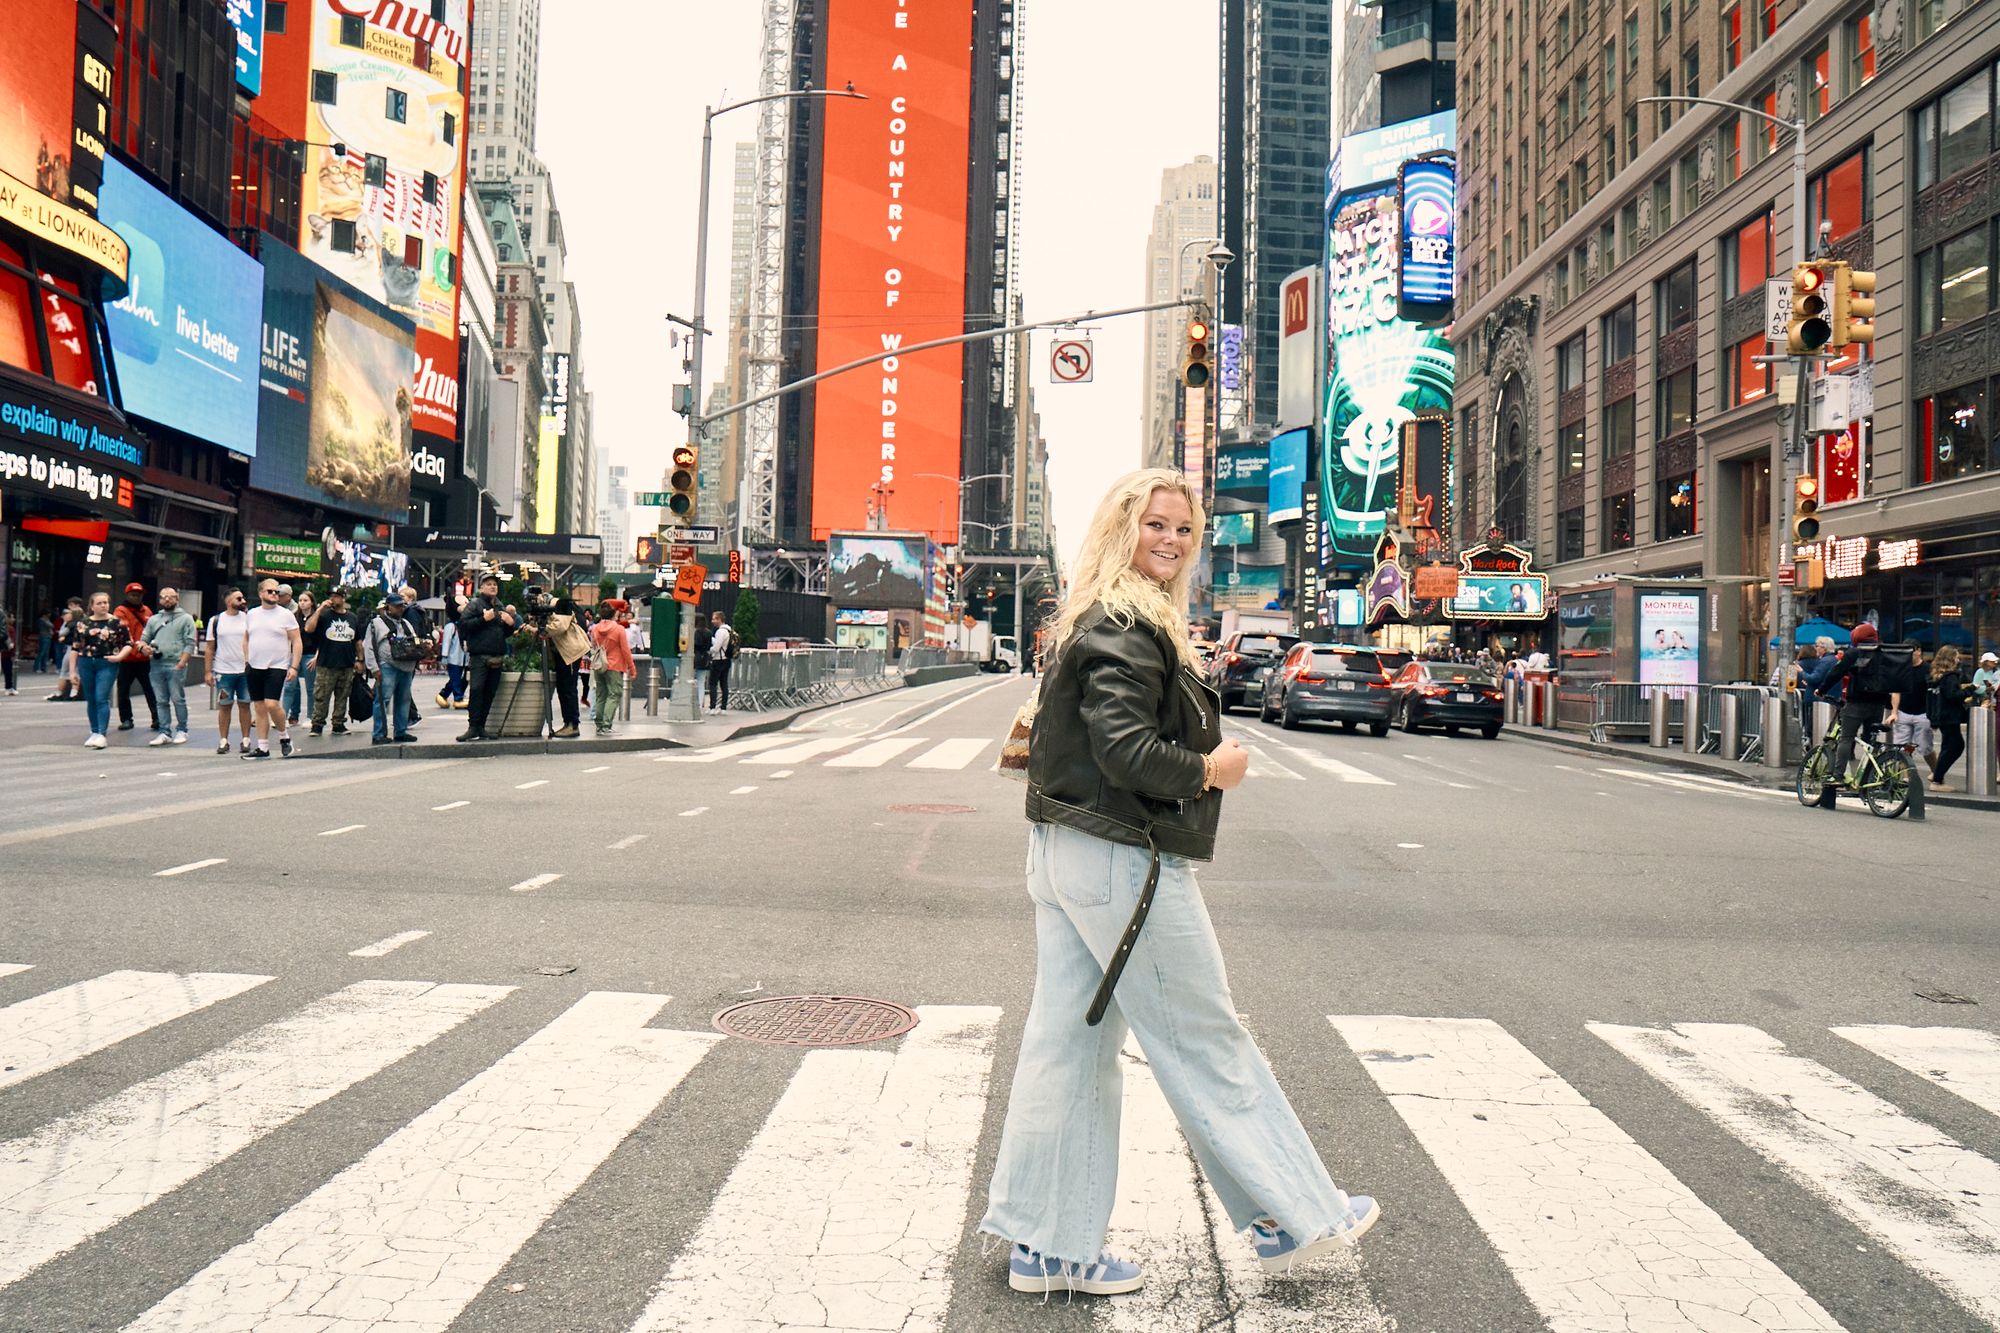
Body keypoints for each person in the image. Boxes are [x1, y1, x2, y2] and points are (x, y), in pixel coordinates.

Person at [980, 468, 1376, 1297]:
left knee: (1070, 1045)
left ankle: (1047, 1247)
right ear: (1122, 526)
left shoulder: (1097, 614)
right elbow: (1127, 751)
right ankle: (1293, 1214)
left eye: (1183, 529)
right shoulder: (1128, 624)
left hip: (1068, 850)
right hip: (1123, 857)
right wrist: (1211, 768)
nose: (1170, 539)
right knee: (1204, 1034)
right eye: (1154, 523)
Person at [1813, 623, 1899, 807]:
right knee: (1869, 742)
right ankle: (1868, 780)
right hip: (1878, 704)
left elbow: (1836, 672)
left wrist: (1822, 689)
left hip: (1857, 703)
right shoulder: (1883, 652)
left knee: (1846, 738)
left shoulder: (1854, 652)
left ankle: (1837, 776)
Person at [67, 591, 137, 748]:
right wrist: (72, 672)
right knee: (91, 698)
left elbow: (128, 643)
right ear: (92, 606)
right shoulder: (83, 623)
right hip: (86, 662)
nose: (103, 605)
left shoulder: (117, 623)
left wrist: (119, 657)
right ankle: (94, 731)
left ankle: (101, 733)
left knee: (101, 697)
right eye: (99, 603)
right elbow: (75, 648)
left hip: (106, 662)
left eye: (105, 602)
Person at [243, 578, 303, 759]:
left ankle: (284, 737)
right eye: (270, 591)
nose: (274, 594)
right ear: (261, 593)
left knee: (271, 704)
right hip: (255, 665)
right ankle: (263, 747)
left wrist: (294, 666)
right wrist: (247, 659)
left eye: (277, 592)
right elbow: (246, 638)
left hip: (277, 665)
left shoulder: (285, 615)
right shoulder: (252, 614)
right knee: (259, 707)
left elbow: (296, 641)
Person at [457, 574, 518, 742]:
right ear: (482, 587)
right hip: (479, 656)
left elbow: (504, 634)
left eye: (495, 584)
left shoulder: (499, 606)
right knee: (476, 690)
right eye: (489, 584)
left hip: (496, 655)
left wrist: (510, 625)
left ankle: (481, 726)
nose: (493, 587)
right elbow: (463, 626)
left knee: (490, 692)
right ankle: (473, 726)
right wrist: (483, 619)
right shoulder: (475, 604)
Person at [140, 587, 197, 745]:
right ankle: (164, 731)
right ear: (159, 599)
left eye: (170, 597)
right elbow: (143, 639)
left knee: (178, 699)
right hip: (156, 664)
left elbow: (190, 642)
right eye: (163, 597)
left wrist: (182, 662)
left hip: (175, 663)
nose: (167, 600)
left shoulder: (185, 618)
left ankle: (182, 730)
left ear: (177, 599)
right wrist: (143, 648)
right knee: (161, 700)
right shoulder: (154, 619)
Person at [305, 587, 363, 737]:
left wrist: (360, 660)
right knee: (321, 696)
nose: (333, 598)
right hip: (326, 663)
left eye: (337, 596)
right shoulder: (324, 616)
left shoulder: (352, 617)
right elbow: (309, 628)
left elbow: (358, 641)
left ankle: (338, 723)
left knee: (343, 695)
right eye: (331, 596)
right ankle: (317, 724)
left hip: (347, 663)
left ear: (343, 599)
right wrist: (318, 610)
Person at [364, 594, 421, 745]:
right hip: (386, 665)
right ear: (387, 606)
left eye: (401, 605)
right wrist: (373, 668)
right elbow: (368, 647)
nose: (400, 608)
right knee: (383, 700)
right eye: (396, 605)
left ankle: (401, 731)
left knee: (404, 699)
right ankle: (379, 733)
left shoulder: (406, 623)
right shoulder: (376, 623)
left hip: (406, 666)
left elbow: (414, 640)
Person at [203, 587, 253, 754]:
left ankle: (246, 739)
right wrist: (208, 671)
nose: (243, 601)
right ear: (227, 600)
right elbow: (210, 648)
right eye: (238, 598)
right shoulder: (216, 620)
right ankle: (223, 740)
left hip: (245, 669)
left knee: (245, 704)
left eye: (243, 598)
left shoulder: (248, 619)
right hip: (223, 670)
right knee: (224, 705)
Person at [111, 582, 159, 733]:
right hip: (127, 659)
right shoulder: (120, 611)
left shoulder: (147, 611)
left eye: (139, 594)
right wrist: (135, 649)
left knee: (151, 690)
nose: (136, 597)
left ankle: (157, 718)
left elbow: (153, 631)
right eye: (133, 594)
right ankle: (126, 719)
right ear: (127, 595)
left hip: (144, 659)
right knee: (123, 691)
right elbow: (124, 632)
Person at [543, 598, 591, 738]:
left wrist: (541, 628)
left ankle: (572, 724)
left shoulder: (563, 609)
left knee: (568, 689)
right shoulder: (562, 611)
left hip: (570, 654)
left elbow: (559, 627)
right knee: (564, 689)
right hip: (566, 654)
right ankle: (568, 723)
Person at [1929, 645, 1972, 793]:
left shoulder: (1937, 676)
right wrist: (1969, 690)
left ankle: (1937, 775)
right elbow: (1953, 695)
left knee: (1947, 746)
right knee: (1956, 746)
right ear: (1951, 659)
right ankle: (1937, 779)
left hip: (1941, 716)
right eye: (1956, 657)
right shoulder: (1951, 677)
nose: (1959, 659)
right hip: (1950, 717)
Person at [589, 603, 635, 736]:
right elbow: (625, 650)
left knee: (600, 694)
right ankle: (606, 725)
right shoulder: (619, 629)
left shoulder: (595, 628)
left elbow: (593, 645)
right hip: (614, 665)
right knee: (614, 694)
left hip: (599, 665)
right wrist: (632, 668)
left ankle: (599, 725)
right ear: (614, 615)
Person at [1891, 643, 1935, 773]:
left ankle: (1936, 773)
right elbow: (1896, 691)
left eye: (1911, 652)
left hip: (1923, 713)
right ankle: (1906, 777)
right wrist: (1894, 712)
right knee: (1901, 748)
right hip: (1904, 712)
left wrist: (1933, 715)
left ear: (1919, 651)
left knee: (1925, 747)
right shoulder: (1902, 669)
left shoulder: (1928, 669)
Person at [282, 590, 318, 725]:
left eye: (305, 600)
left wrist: (316, 656)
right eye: (300, 600)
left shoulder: (316, 617)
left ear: (311, 602)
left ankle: (310, 716)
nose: (302, 603)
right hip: (295, 654)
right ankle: (284, 715)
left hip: (310, 653)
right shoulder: (294, 617)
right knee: (289, 685)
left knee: (310, 687)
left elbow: (320, 639)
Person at [45, 599, 83, 700]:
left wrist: (65, 623)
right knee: (77, 671)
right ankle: (74, 693)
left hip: (71, 648)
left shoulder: (70, 624)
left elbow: (61, 633)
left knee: (65, 671)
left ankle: (59, 692)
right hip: (81, 649)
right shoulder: (84, 623)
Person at [437, 609, 469, 710]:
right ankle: (458, 698)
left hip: (463, 658)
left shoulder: (464, 626)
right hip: (453, 658)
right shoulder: (451, 626)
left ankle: (443, 694)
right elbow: (446, 642)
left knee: (459, 679)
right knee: (456, 679)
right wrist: (445, 656)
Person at [707, 611, 736, 710]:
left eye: (714, 619)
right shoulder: (729, 630)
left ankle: (712, 707)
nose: (712, 621)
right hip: (727, 659)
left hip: (718, 659)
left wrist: (709, 651)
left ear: (720, 619)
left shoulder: (720, 632)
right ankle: (723, 707)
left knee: (713, 683)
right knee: (724, 684)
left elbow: (716, 648)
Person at [32, 610, 55, 676]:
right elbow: (51, 625)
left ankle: (43, 667)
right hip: (44, 637)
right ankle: (36, 667)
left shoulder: (45, 620)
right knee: (42, 652)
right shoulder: (42, 620)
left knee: (46, 653)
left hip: (47, 637)